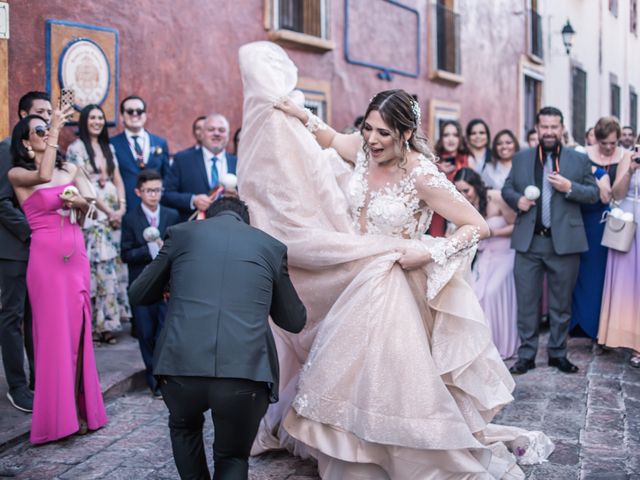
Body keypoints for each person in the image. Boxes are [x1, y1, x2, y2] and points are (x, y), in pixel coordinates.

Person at [239, 41, 552, 478]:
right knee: (351, 369)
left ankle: (402, 449)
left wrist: (427, 249)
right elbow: (328, 138)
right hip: (354, 271)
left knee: (390, 374)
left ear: (405, 134)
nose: (371, 140)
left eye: (383, 133)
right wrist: (296, 114)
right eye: (368, 129)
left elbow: (476, 224)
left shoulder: (420, 174)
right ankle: (354, 445)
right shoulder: (363, 154)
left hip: (397, 279)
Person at [128, 195, 306, 480]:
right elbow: (295, 321)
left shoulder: (181, 235)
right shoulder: (270, 247)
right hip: (245, 371)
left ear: (206, 218)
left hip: (180, 366)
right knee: (232, 457)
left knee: (185, 429)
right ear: (247, 222)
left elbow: (139, 294)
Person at [8, 109, 108, 443]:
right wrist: (55, 131)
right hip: (46, 258)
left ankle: (83, 411)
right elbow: (44, 173)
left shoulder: (72, 169)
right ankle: (57, 419)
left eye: (48, 129)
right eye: (39, 130)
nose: (46, 132)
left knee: (79, 331)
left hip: (75, 254)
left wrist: (79, 199)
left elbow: (93, 203)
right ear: (25, 141)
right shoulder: (18, 174)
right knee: (53, 337)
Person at [502, 106, 599, 375]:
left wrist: (569, 188)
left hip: (565, 243)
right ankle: (527, 354)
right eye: (544, 126)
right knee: (526, 303)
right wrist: (516, 199)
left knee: (561, 304)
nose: (548, 131)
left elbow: (593, 194)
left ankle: (558, 353)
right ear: (536, 128)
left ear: (562, 129)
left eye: (554, 127)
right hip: (529, 243)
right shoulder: (521, 159)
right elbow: (507, 188)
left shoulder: (578, 160)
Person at [0, 91, 50, 413]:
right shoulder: (7, 149)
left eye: (49, 114)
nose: (46, 119)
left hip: (40, 248)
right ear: (22, 115)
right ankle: (17, 386)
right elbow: (2, 200)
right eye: (40, 113)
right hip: (14, 246)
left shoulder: (44, 151)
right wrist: (32, 232)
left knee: (35, 316)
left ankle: (38, 381)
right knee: (12, 316)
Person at [66, 104, 131, 345]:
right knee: (94, 269)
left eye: (100, 117)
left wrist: (121, 207)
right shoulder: (76, 148)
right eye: (92, 117)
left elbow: (118, 178)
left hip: (114, 213)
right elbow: (83, 186)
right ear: (84, 121)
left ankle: (108, 324)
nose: (97, 121)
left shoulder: (108, 147)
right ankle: (91, 325)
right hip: (93, 213)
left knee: (111, 269)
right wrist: (109, 211)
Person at [121, 169, 180, 397]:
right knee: (145, 333)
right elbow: (125, 254)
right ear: (138, 192)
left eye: (157, 190)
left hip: (166, 285)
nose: (154, 195)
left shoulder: (171, 215)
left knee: (163, 333)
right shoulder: (130, 218)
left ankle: (165, 378)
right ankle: (153, 380)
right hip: (142, 284)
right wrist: (147, 250)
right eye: (149, 191)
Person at [454, 168, 518, 359]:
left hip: (505, 253)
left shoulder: (495, 198)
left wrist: (491, 232)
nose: (463, 195)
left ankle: (502, 344)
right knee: (474, 294)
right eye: (458, 191)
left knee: (491, 292)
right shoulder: (461, 206)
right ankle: (482, 347)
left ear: (476, 186)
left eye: (466, 190)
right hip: (483, 256)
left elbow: (516, 225)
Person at [571, 117, 626, 340]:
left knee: (606, 276)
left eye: (613, 143)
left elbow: (614, 193)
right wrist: (598, 172)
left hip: (611, 220)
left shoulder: (624, 155)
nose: (609, 147)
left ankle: (601, 330)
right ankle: (581, 325)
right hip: (585, 217)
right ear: (597, 139)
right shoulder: (583, 154)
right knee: (584, 275)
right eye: (605, 143)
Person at [598, 135, 640, 366]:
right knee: (625, 283)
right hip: (628, 222)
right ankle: (620, 335)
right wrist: (631, 169)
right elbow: (617, 193)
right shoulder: (628, 157)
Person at [163, 113, 238, 221]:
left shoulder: (237, 163)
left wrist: (236, 198)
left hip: (228, 227)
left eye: (221, 130)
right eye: (211, 129)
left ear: (228, 135)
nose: (216, 133)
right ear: (201, 134)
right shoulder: (182, 160)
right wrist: (193, 200)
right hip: (192, 229)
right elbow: (166, 194)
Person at [110, 95, 171, 209]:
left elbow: (166, 177)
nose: (135, 114)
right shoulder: (112, 144)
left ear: (145, 115)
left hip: (156, 209)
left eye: (139, 111)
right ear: (122, 116)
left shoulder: (160, 143)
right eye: (129, 111)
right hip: (126, 208)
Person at [429, 120, 469, 236]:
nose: (451, 139)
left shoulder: (467, 160)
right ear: (441, 138)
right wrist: (440, 171)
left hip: (461, 217)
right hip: (437, 217)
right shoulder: (433, 161)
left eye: (455, 135)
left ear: (460, 139)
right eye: (446, 135)